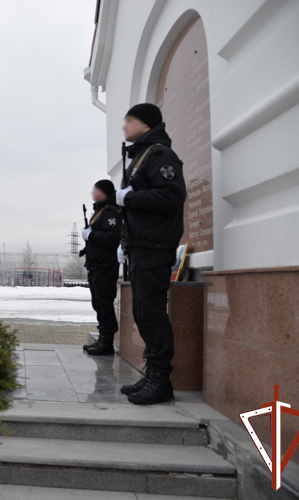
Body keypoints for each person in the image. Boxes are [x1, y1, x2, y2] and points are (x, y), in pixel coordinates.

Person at [114, 103, 186, 405]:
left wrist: (130, 197)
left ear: (145, 124)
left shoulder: (159, 154)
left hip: (154, 246)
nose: (124, 127)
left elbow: (172, 195)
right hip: (141, 245)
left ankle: (161, 381)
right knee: (144, 313)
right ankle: (151, 374)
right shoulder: (141, 155)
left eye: (129, 121)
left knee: (152, 314)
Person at [80, 179, 122, 356]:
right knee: (98, 302)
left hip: (105, 265)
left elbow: (112, 238)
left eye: (96, 189)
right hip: (96, 265)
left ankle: (107, 342)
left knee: (104, 303)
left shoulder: (111, 211)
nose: (93, 192)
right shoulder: (100, 210)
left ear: (104, 192)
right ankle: (103, 338)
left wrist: (91, 236)